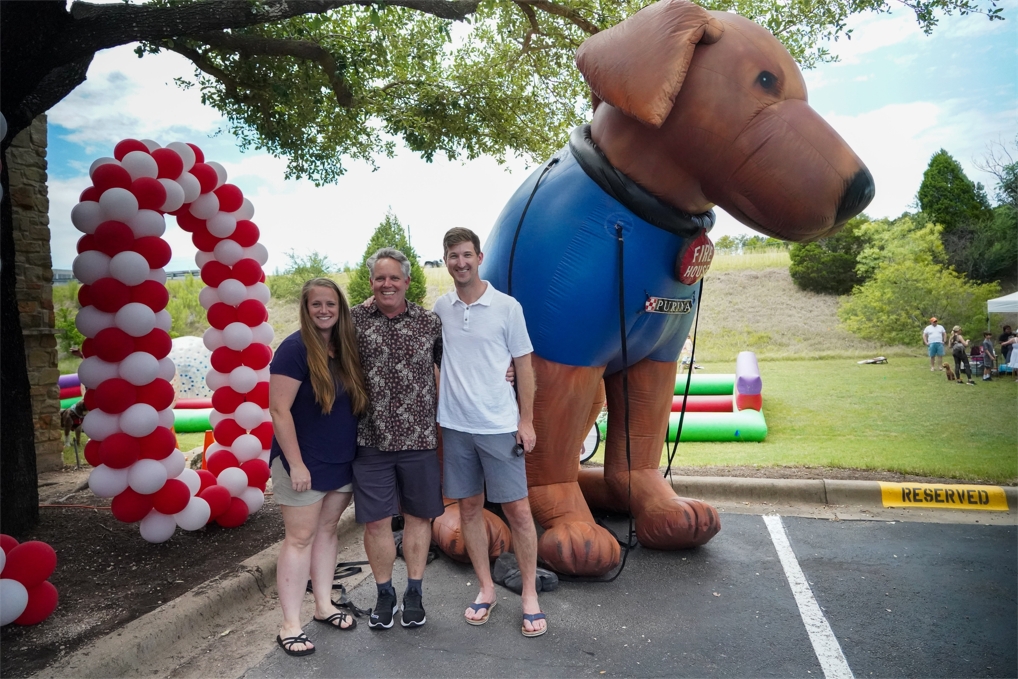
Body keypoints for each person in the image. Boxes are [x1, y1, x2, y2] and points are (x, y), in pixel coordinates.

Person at [433, 227, 547, 638]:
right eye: (452, 256)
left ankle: (530, 594)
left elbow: (525, 365)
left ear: (479, 257)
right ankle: (486, 588)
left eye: (466, 255)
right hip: (457, 426)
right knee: (468, 511)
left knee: (518, 511)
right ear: (445, 261)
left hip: (499, 425)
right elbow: (436, 355)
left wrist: (526, 420)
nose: (460, 262)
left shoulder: (507, 307)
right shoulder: (441, 308)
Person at [269, 278, 369, 657]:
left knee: (328, 532)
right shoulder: (294, 350)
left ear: (340, 308)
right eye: (316, 305)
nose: (324, 310)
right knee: (299, 539)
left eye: (331, 304)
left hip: (340, 461)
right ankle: (290, 624)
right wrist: (295, 463)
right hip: (304, 463)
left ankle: (324, 605)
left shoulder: (343, 348)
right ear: (306, 309)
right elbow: (279, 410)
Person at [350, 248, 445, 630]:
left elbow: (451, 367)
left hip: (420, 438)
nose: (386, 284)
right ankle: (385, 592)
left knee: (419, 517)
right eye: (379, 277)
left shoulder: (429, 323)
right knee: (376, 523)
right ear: (371, 281)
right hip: (369, 438)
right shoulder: (353, 320)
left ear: (407, 282)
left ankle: (415, 591)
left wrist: (506, 371)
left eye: (394, 278)